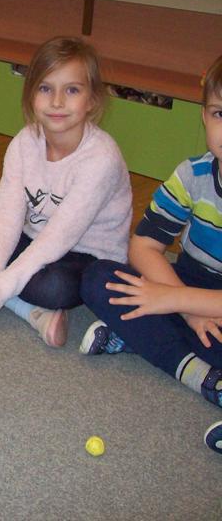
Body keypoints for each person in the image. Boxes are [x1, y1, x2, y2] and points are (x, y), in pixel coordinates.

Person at [0, 36, 132, 347]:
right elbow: (5, 217)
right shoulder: (24, 143)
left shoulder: (100, 159)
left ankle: (4, 293)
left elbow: (57, 240)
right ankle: (31, 311)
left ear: (92, 100)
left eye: (72, 90)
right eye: (45, 88)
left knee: (54, 287)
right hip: (35, 240)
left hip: (86, 257)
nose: (57, 102)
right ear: (30, 94)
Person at [79, 55, 222, 448]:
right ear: (204, 116)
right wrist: (186, 308)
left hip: (196, 300)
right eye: (220, 114)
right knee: (98, 278)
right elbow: (143, 245)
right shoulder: (192, 174)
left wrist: (174, 302)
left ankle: (151, 343)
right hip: (184, 282)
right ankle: (195, 368)